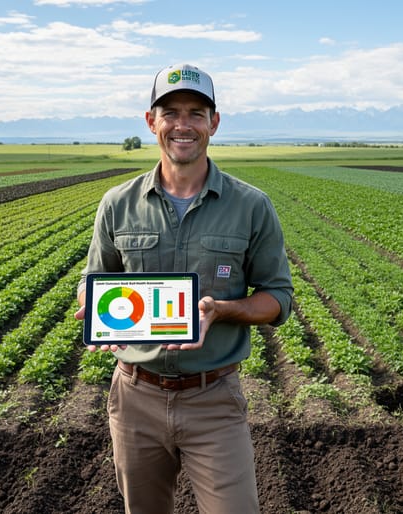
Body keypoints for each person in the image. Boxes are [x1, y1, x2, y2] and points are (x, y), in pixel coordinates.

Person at [75, 63, 293, 513]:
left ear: (214, 122)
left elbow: (278, 297)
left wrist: (221, 310)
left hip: (213, 398)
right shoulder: (117, 204)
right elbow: (93, 281)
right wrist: (96, 311)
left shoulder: (251, 206)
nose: (183, 124)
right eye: (170, 111)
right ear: (151, 121)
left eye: (196, 112)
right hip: (136, 396)